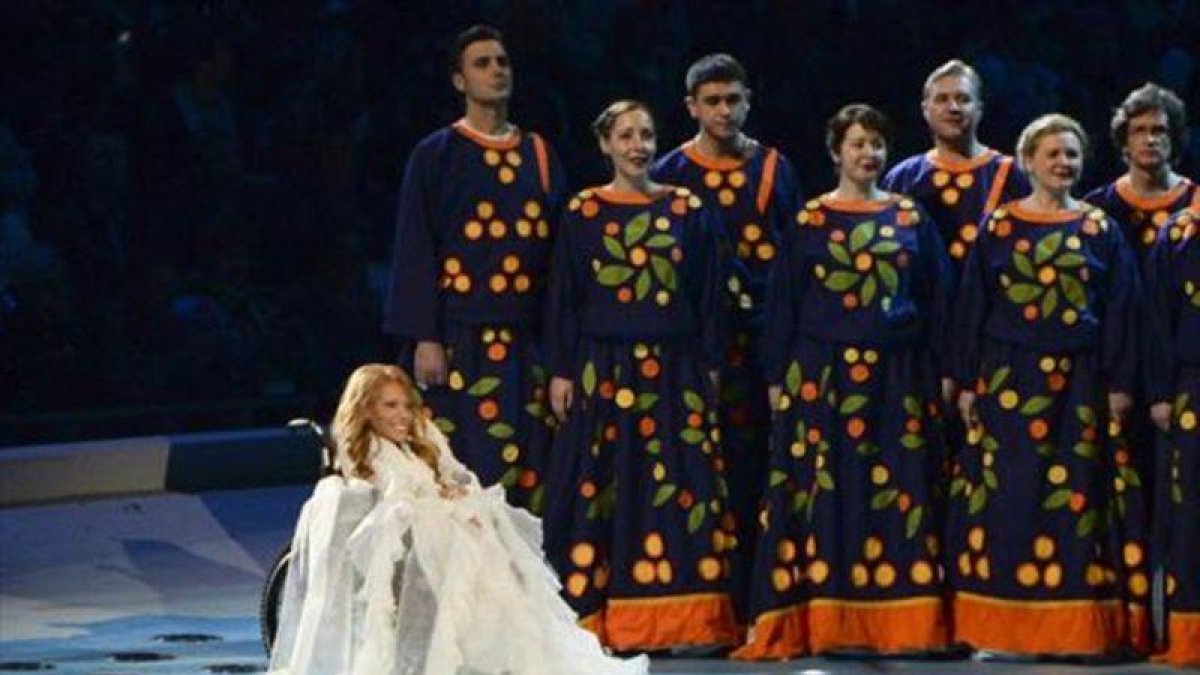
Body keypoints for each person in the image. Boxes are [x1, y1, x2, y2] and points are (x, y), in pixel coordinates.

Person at [733, 104, 955, 659]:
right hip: (822, 381)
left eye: (877, 144)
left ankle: (902, 626)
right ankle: (822, 619)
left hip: (896, 379)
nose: (868, 154)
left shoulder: (910, 219)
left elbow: (939, 301)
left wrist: (944, 373)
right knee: (824, 496)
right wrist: (777, 379)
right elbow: (782, 305)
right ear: (836, 152)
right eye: (857, 144)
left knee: (898, 493)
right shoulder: (809, 222)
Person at [268, 364, 649, 675]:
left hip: (435, 523)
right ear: (366, 409)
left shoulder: (419, 441)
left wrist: (455, 494)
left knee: (490, 525)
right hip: (403, 530)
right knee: (463, 536)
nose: (402, 416)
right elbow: (392, 497)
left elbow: (453, 475)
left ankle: (503, 644)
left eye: (405, 405)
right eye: (389, 406)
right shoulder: (367, 449)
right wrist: (442, 501)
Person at [949, 114, 1150, 656]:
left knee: (1076, 504)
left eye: (1071, 155)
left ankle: (1076, 631)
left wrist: (1119, 383)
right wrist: (967, 380)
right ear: (1028, 161)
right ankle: (1001, 631)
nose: (1063, 163)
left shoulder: (1099, 230)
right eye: (1053, 154)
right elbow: (972, 306)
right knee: (1008, 500)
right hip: (1008, 381)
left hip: (1081, 386)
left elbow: (1121, 313)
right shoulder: (999, 227)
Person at [541, 100, 738, 651]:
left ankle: (684, 622)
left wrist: (711, 367)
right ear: (604, 144)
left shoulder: (687, 210)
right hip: (602, 370)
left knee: (676, 489)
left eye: (646, 135)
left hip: (675, 373)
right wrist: (561, 371)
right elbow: (564, 299)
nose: (638, 145)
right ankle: (601, 621)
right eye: (625, 135)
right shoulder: (582, 213)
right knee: (603, 489)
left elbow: (709, 298)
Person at [382, 25, 566, 514]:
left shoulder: (539, 154)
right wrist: (425, 335)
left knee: (528, 469)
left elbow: (558, 259)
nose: (497, 71)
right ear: (459, 81)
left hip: (526, 345)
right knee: (454, 470)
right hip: (458, 341)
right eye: (482, 63)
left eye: (502, 61)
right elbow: (416, 246)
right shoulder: (436, 154)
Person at [650, 54, 800, 613]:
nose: (724, 110)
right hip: (692, 348)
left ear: (748, 101)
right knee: (694, 466)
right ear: (691, 106)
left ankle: (761, 599)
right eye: (712, 101)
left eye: (733, 99)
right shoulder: (668, 172)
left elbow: (793, 262)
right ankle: (700, 599)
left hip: (763, 343)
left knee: (761, 463)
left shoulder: (776, 169)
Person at [883, 59, 1029, 270]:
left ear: (979, 109)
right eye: (942, 99)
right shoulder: (903, 177)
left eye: (963, 99)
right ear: (925, 109)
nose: (953, 108)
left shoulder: (1012, 175)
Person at [1144, 205, 1200, 668]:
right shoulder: (1180, 231)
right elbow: (1157, 318)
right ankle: (1190, 633)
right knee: (1190, 509)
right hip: (1193, 385)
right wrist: (1160, 391)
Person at [1084, 83, 1196, 267]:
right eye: (1139, 130)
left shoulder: (1196, 203)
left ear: (1174, 138)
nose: (1150, 140)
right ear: (1125, 142)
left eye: (1159, 131)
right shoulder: (1097, 207)